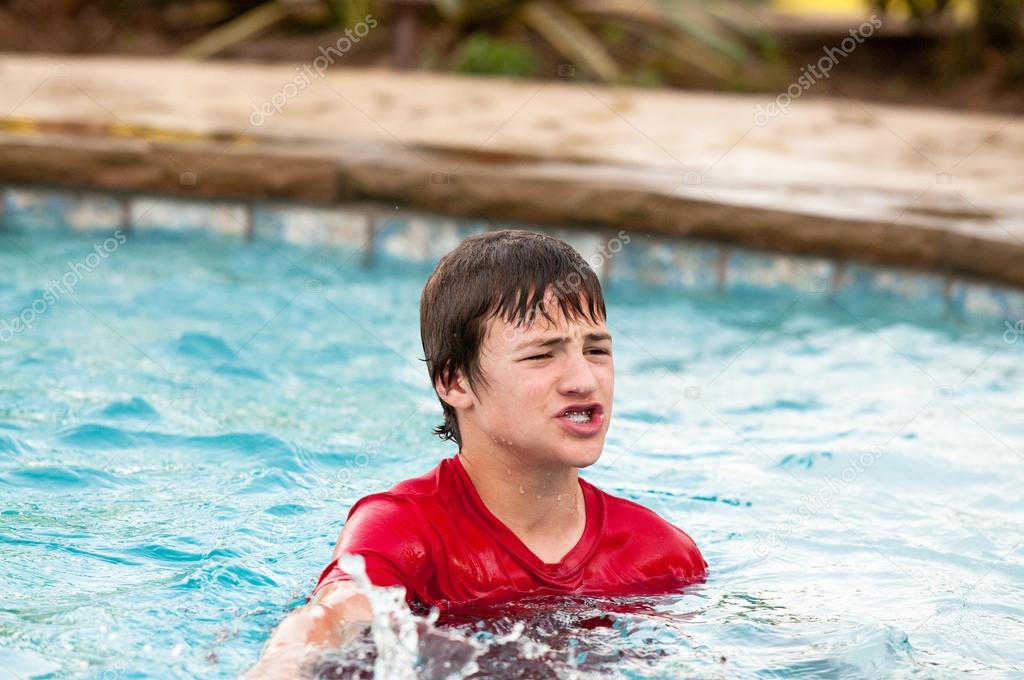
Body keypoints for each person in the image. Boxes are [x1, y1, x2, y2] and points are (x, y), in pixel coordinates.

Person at [245, 229, 707, 677]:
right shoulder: (406, 531)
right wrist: (279, 667)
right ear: (455, 382)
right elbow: (331, 614)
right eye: (541, 356)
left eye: (597, 350)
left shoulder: (661, 556)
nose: (584, 380)